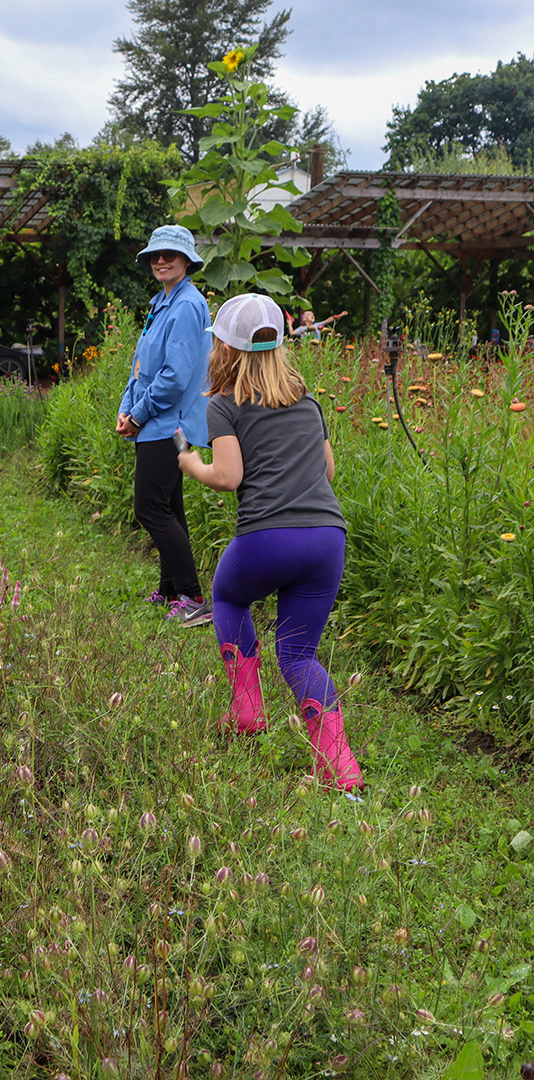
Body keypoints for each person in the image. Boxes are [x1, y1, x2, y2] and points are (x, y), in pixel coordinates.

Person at [177, 293, 364, 792]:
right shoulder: (306, 398)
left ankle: (246, 713)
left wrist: (193, 465)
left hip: (266, 537)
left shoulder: (223, 405)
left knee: (229, 596)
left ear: (224, 349)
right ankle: (340, 769)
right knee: (300, 654)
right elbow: (326, 470)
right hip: (327, 537)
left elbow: (229, 476)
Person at [116, 224, 212, 626]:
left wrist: (138, 415)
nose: (160, 260)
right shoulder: (162, 302)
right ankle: (171, 589)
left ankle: (191, 596)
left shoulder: (188, 305)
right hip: (151, 420)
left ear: (187, 260)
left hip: (168, 425)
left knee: (150, 507)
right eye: (155, 255)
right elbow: (142, 368)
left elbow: (175, 375)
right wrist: (127, 407)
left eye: (170, 254)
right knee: (169, 507)